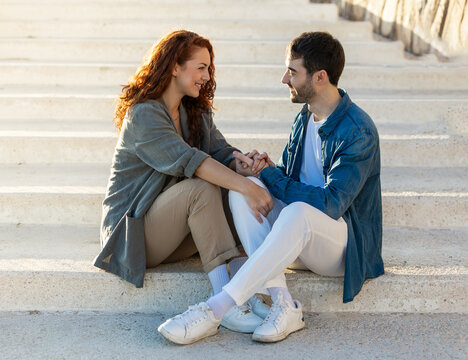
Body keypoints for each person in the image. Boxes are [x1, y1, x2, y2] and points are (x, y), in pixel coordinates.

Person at [158, 31, 384, 345]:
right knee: (244, 189)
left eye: (293, 72)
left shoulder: (357, 130)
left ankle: (216, 308)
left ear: (320, 77)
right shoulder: (305, 118)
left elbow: (332, 204)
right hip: (296, 238)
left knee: (299, 212)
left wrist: (273, 178)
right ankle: (284, 304)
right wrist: (262, 172)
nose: (284, 79)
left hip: (341, 248)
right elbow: (289, 180)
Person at [93, 30, 275, 334]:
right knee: (204, 187)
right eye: (200, 67)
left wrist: (241, 163)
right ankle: (224, 300)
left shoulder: (194, 109)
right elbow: (191, 162)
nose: (206, 75)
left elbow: (218, 151)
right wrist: (245, 186)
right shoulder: (143, 115)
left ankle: (243, 292)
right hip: (136, 233)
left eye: (209, 68)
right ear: (175, 66)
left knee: (228, 191)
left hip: (178, 224)